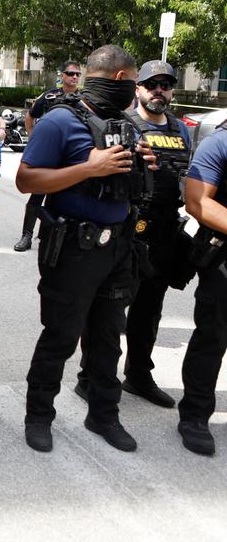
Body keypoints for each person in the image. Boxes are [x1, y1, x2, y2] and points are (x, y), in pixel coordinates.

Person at [18, 45, 154, 454]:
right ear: (118, 80)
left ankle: (103, 415)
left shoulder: (124, 125)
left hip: (118, 247)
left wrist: (141, 163)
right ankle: (39, 415)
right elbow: (26, 180)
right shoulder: (59, 121)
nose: (133, 89)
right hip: (75, 249)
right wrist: (88, 168)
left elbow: (127, 181)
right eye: (132, 80)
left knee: (108, 337)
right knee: (60, 335)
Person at [74, 61, 191, 409]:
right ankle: (89, 375)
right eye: (152, 84)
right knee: (108, 306)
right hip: (129, 225)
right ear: (137, 88)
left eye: (166, 85)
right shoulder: (122, 124)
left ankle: (138, 374)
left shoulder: (180, 129)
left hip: (166, 226)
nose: (159, 91)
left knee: (150, 308)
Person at [179, 106, 227, 455]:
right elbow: (197, 202)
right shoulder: (221, 143)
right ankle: (195, 415)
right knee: (213, 336)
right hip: (224, 258)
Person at [13, 61, 82, 251]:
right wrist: (33, 137)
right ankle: (26, 235)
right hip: (50, 154)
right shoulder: (51, 96)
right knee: (37, 195)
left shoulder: (83, 99)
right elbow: (31, 115)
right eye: (70, 73)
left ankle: (59, 237)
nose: (74, 77)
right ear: (62, 75)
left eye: (77, 74)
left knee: (67, 197)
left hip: (70, 155)